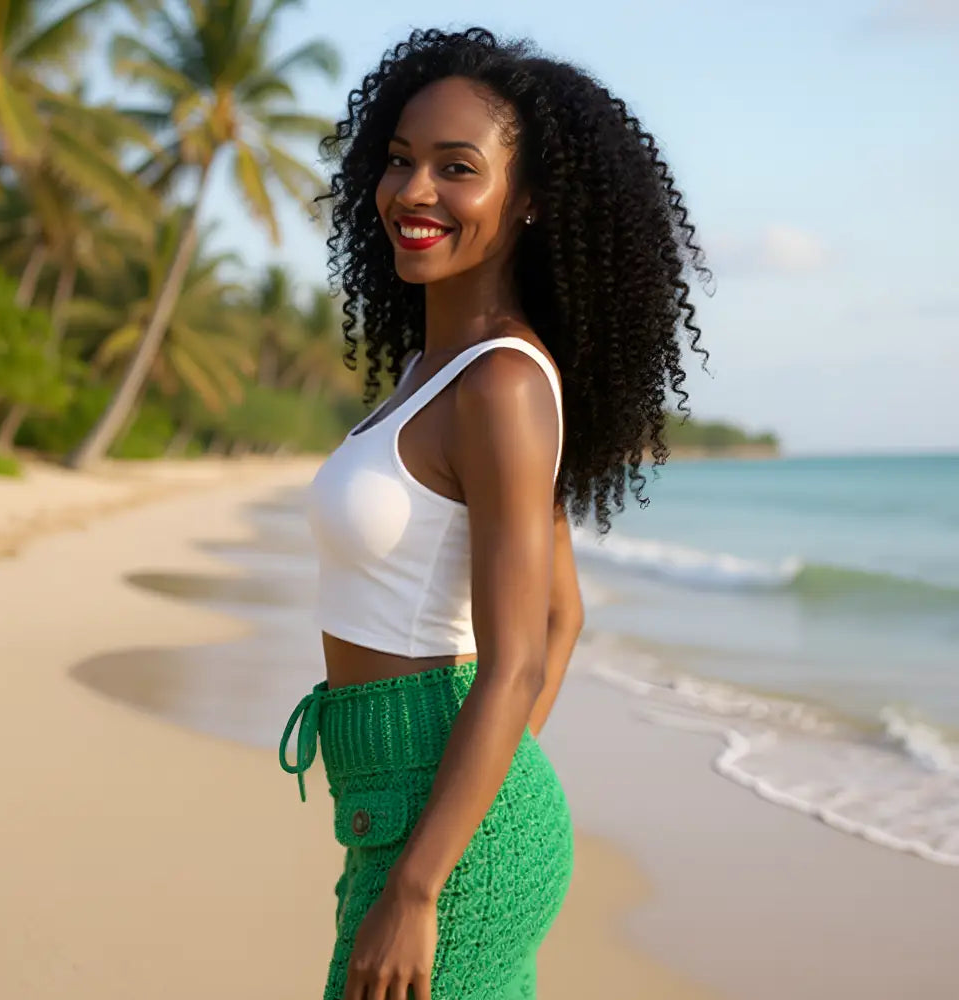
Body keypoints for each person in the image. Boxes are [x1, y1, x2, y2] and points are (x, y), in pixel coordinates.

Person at [279, 26, 712, 1000]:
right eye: (398, 160)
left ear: (528, 203)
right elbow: (562, 616)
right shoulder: (432, 377)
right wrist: (493, 776)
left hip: (442, 839)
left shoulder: (502, 387)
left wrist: (429, 875)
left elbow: (519, 657)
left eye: (456, 168)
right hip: (410, 803)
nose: (412, 191)